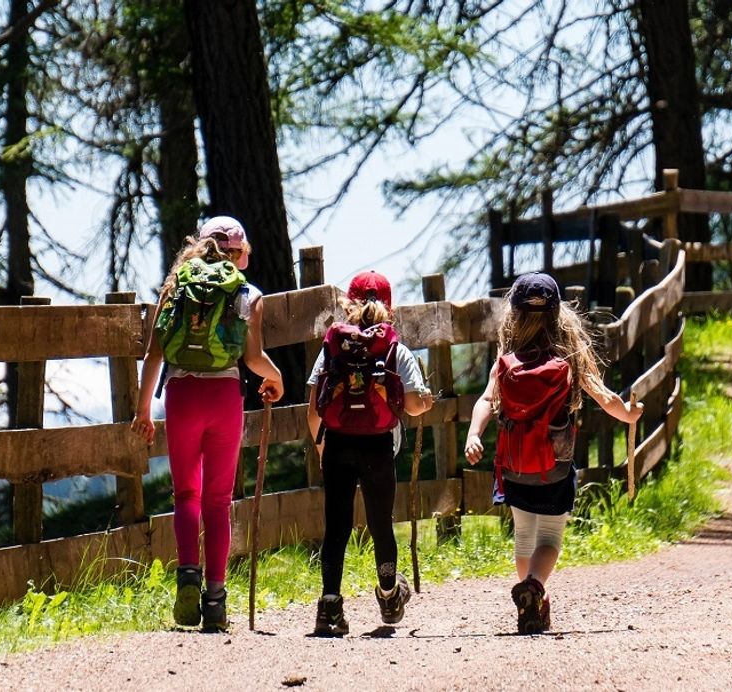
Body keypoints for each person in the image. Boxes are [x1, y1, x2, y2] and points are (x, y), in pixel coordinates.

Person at [463, 272, 642, 634]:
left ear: (512, 315)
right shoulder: (569, 355)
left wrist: (473, 434)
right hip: (555, 467)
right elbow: (602, 395)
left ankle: (531, 602)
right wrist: (628, 413)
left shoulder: (507, 357)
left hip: (514, 467)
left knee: (524, 536)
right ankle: (534, 587)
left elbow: (486, 400)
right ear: (558, 313)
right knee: (549, 540)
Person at [131, 216, 284, 632]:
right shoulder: (248, 294)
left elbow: (154, 355)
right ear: (240, 252)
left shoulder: (175, 287)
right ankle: (215, 599)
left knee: (186, 495)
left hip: (182, 395)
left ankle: (187, 576)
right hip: (223, 398)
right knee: (218, 501)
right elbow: (252, 359)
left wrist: (143, 411)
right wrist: (276, 378)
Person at [306, 271, 433, 636]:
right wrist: (425, 402)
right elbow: (411, 404)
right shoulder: (395, 349)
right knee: (380, 525)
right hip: (378, 445)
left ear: (349, 304)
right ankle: (390, 596)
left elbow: (314, 406)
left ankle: (329, 607)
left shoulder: (333, 348)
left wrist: (320, 446)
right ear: (389, 307)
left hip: (338, 443)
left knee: (337, 528)